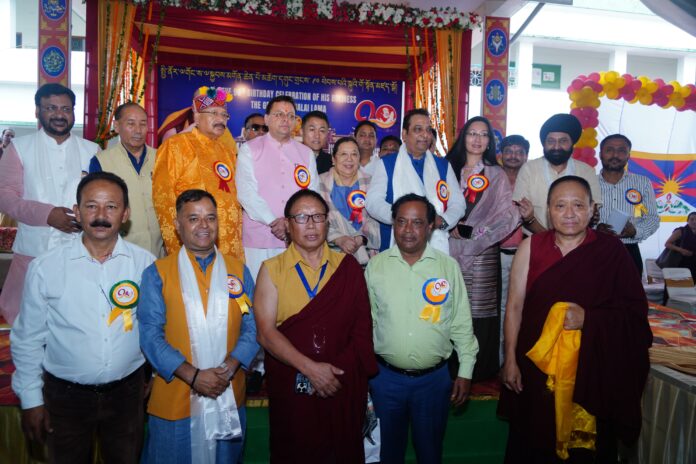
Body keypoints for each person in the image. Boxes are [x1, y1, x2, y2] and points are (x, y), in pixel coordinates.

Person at [499, 176, 652, 463]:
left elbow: (635, 317)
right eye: (560, 206)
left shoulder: (612, 251)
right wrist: (509, 359)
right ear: (548, 210)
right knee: (535, 441)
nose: (569, 213)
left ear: (592, 209)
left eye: (578, 205)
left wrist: (589, 319)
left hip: (593, 370)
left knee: (586, 449)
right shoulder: (531, 247)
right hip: (536, 368)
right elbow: (515, 307)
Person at [11, 172, 155, 462]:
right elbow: (27, 339)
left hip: (127, 396)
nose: (101, 215)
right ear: (77, 212)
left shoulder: (145, 264)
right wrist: (31, 400)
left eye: (111, 207)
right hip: (65, 399)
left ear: (125, 214)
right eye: (91, 206)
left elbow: (154, 327)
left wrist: (152, 374)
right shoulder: (46, 267)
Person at [254, 189, 377, 463]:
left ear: (327, 222)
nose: (310, 224)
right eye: (301, 217)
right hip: (291, 382)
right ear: (288, 225)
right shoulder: (271, 269)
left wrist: (334, 373)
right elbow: (265, 333)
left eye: (317, 217)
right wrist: (311, 369)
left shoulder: (348, 267)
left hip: (340, 381)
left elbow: (361, 331)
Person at [138, 189, 259, 463]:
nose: (204, 225)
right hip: (176, 397)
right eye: (193, 218)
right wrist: (193, 376)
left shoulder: (239, 271)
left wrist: (227, 369)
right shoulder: (158, 273)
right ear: (177, 225)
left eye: (211, 218)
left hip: (226, 393)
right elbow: (150, 335)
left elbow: (253, 327)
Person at [366, 193, 478, 464]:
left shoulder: (447, 267)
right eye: (401, 221)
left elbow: (461, 323)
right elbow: (367, 324)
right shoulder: (376, 266)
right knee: (387, 454)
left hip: (433, 382)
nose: (408, 229)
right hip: (385, 380)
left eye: (417, 222)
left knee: (430, 452)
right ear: (393, 223)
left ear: (430, 227)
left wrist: (465, 371)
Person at [0, 83, 99, 324]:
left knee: (75, 321)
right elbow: (5, 196)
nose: (59, 114)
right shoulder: (20, 148)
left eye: (66, 109)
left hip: (80, 251)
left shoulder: (92, 150)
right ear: (37, 111)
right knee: (27, 322)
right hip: (34, 250)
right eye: (51, 108)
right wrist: (47, 214)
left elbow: (99, 197)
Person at [446, 117, 520, 381]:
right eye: (472, 133)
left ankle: (478, 372)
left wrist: (475, 232)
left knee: (479, 310)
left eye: (484, 134)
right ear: (463, 137)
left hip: (483, 251)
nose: (477, 139)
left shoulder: (495, 174)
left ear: (490, 141)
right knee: (446, 305)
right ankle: (449, 367)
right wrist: (448, 225)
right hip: (447, 248)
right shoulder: (447, 168)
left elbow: (505, 214)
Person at [153, 86, 244, 260]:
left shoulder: (228, 152)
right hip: (193, 243)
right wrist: (176, 246)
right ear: (197, 116)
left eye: (224, 115)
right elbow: (163, 199)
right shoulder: (175, 146)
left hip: (229, 245)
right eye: (214, 113)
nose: (220, 120)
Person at [235, 95, 319, 279]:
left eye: (290, 116)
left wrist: (290, 223)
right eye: (279, 114)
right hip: (258, 238)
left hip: (296, 236)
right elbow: (246, 193)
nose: (285, 119)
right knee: (259, 290)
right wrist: (274, 221)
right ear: (266, 119)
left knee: (293, 291)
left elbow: (312, 195)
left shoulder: (306, 154)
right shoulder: (249, 149)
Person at [366, 108, 465, 254]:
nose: (425, 135)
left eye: (428, 130)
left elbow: (458, 203)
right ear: (404, 134)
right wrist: (403, 219)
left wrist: (444, 221)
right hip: (395, 243)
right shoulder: (387, 164)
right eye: (418, 129)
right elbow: (373, 202)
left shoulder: (443, 166)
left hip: (436, 243)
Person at [89, 102, 163, 257]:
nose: (138, 130)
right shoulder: (102, 161)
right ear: (117, 126)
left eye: (143, 124)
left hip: (160, 252)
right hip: (121, 253)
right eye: (131, 124)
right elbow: (95, 210)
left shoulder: (161, 157)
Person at [512, 114, 601, 233]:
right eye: (551, 141)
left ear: (572, 143)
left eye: (563, 141)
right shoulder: (529, 169)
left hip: (576, 241)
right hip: (535, 239)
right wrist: (550, 239)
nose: (556, 147)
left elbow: (592, 211)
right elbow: (522, 213)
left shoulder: (586, 171)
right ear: (544, 144)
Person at [596, 134, 659, 276]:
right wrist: (595, 230)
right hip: (595, 248)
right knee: (592, 290)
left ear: (628, 155)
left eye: (621, 151)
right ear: (600, 154)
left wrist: (635, 231)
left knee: (631, 290)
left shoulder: (642, 183)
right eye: (609, 150)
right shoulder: (588, 182)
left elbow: (652, 218)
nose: (615, 155)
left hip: (629, 250)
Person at [318, 137, 380, 265]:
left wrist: (361, 238)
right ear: (333, 159)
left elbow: (376, 218)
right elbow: (315, 219)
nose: (349, 159)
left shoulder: (372, 183)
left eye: (354, 154)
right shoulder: (319, 183)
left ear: (359, 158)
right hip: (329, 255)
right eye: (343, 154)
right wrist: (338, 238)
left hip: (365, 255)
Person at [498, 134, 529, 363]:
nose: (513, 156)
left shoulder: (530, 180)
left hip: (525, 254)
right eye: (509, 151)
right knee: (499, 306)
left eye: (519, 152)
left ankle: (518, 356)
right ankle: (500, 358)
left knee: (521, 305)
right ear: (501, 154)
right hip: (495, 254)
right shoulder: (492, 178)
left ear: (526, 156)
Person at [662, 212, 696, 280]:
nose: (694, 222)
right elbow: (667, 244)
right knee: (679, 284)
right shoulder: (681, 231)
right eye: (692, 219)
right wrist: (682, 250)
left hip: (694, 263)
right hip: (680, 262)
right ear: (687, 221)